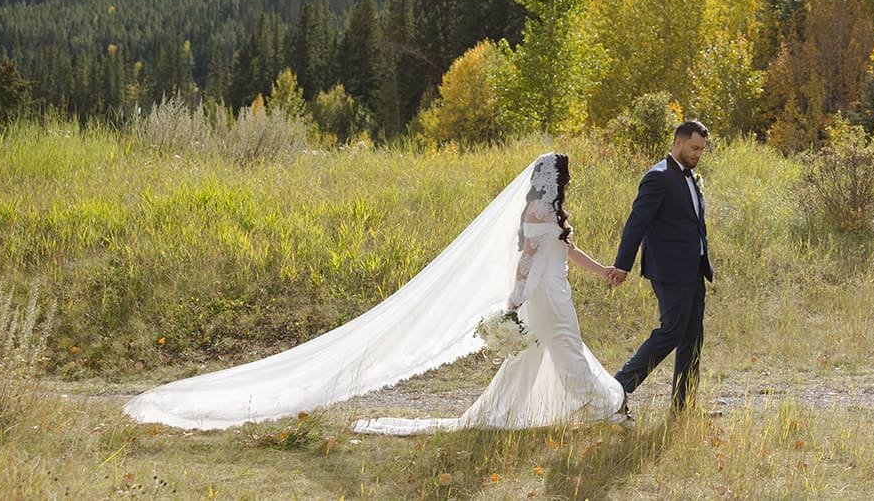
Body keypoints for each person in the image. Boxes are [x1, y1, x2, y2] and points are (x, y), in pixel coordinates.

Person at [123, 153, 624, 432]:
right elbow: (528, 258)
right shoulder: (538, 211)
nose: (568, 179)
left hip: (556, 289)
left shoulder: (553, 213)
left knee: (544, 352)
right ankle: (600, 408)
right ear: (552, 179)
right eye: (565, 174)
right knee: (564, 345)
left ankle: (527, 411)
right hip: (543, 294)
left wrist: (601, 270)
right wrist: (513, 301)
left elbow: (565, 251)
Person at [609, 119, 713, 413]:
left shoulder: (690, 178)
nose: (697, 154)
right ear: (678, 142)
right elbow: (636, 223)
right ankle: (616, 389)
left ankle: (683, 406)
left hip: (694, 269)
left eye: (701, 150)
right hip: (669, 271)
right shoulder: (658, 177)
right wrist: (622, 265)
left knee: (692, 338)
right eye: (694, 148)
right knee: (671, 332)